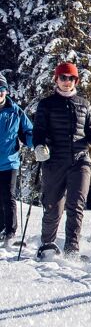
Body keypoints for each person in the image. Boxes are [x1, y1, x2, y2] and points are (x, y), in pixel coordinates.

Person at [32, 62, 91, 259]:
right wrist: (39, 147)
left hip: (80, 160)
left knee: (76, 206)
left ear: (76, 80)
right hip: (54, 162)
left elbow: (90, 132)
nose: (67, 82)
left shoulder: (83, 104)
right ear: (56, 79)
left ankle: (72, 250)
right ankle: (48, 246)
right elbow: (39, 132)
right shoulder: (46, 104)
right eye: (63, 77)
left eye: (71, 78)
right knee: (53, 206)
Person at [0, 75, 34, 247]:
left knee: (8, 196)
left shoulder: (15, 111)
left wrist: (36, 142)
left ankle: (10, 232)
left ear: (6, 91)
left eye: (1, 89)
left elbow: (28, 132)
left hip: (9, 162)